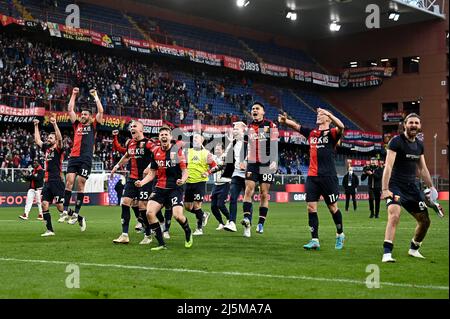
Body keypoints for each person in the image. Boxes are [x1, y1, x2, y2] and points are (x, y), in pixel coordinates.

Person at [279, 108, 345, 250]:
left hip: (328, 177)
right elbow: (297, 127)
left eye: (321, 115)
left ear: (328, 118)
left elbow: (341, 127)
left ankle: (340, 234)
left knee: (332, 207)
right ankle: (314, 240)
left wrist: (329, 114)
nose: (318, 116)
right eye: (318, 114)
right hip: (312, 176)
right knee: (310, 207)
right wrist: (286, 122)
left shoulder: (332, 134)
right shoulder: (312, 133)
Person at [381, 113, 443, 262]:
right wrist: (385, 189)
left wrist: (432, 188)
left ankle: (414, 249)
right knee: (394, 214)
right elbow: (388, 166)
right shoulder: (396, 141)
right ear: (405, 125)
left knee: (425, 221)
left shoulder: (419, 145)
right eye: (411, 122)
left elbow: (423, 169)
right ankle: (387, 253)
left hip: (411, 187)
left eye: (416, 123)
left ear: (420, 126)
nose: (413, 125)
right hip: (395, 185)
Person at [135, 126, 193, 251]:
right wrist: (142, 182)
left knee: (178, 216)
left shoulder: (177, 151)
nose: (164, 136)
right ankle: (161, 244)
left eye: (166, 134)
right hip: (160, 188)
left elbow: (185, 171)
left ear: (170, 137)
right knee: (150, 213)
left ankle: (188, 231)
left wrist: (182, 180)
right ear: (159, 138)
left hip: (174, 188)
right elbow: (152, 173)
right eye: (161, 135)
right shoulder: (155, 152)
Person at [58, 88, 104, 231]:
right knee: (69, 181)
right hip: (74, 157)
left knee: (80, 182)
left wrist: (96, 96)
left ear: (90, 117)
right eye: (82, 114)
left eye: (85, 114)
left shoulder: (94, 125)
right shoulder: (76, 124)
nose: (82, 115)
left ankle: (76, 213)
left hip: (85, 158)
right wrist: (73, 94)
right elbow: (70, 109)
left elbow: (101, 112)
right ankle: (65, 211)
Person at [110, 121, 157, 245]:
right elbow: (126, 156)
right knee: (125, 203)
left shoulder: (148, 143)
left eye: (135, 126)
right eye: (131, 127)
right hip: (132, 178)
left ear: (141, 129)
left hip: (145, 180)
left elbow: (158, 155)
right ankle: (124, 234)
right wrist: (116, 166)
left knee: (142, 208)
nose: (132, 128)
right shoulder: (130, 143)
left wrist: (150, 167)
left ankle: (148, 234)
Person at [241, 102, 278, 237]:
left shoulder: (270, 125)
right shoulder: (249, 128)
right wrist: (243, 160)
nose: (254, 110)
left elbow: (274, 144)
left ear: (263, 112)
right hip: (252, 163)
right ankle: (246, 219)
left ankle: (261, 223)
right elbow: (245, 146)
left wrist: (274, 160)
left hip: (267, 163)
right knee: (248, 190)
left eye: (257, 108)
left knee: (263, 193)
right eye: (252, 109)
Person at [30, 117, 65, 236]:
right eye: (48, 137)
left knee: (60, 206)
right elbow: (37, 140)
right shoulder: (46, 148)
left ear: (55, 140)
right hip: (47, 181)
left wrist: (55, 124)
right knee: (44, 204)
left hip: (56, 180)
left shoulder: (59, 149)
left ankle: (77, 217)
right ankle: (50, 230)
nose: (48, 139)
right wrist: (36, 126)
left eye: (50, 138)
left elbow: (60, 139)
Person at [184, 133, 219, 236]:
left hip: (199, 182)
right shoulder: (188, 151)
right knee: (188, 207)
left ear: (202, 140)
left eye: (197, 138)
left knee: (196, 205)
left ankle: (199, 229)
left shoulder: (206, 153)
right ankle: (203, 215)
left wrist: (207, 173)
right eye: (194, 138)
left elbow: (215, 167)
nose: (195, 139)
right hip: (188, 182)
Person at [112, 129, 143, 232]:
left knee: (142, 204)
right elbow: (118, 148)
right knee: (132, 202)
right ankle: (140, 222)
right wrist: (115, 137)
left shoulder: (142, 147)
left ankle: (153, 223)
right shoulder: (128, 150)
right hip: (132, 178)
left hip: (144, 178)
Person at [223, 122, 248, 232]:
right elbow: (225, 157)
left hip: (248, 175)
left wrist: (246, 163)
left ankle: (247, 224)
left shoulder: (250, 142)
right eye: (234, 129)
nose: (234, 130)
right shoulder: (232, 143)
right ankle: (232, 222)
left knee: (247, 200)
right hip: (236, 174)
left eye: (237, 129)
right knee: (233, 197)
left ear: (243, 130)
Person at [210, 143, 231, 230]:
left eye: (218, 149)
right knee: (213, 207)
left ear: (222, 150)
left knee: (220, 205)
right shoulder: (214, 157)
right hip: (216, 185)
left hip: (225, 184)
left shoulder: (225, 157)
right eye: (216, 149)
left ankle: (230, 220)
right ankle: (221, 223)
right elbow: (207, 154)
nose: (217, 150)